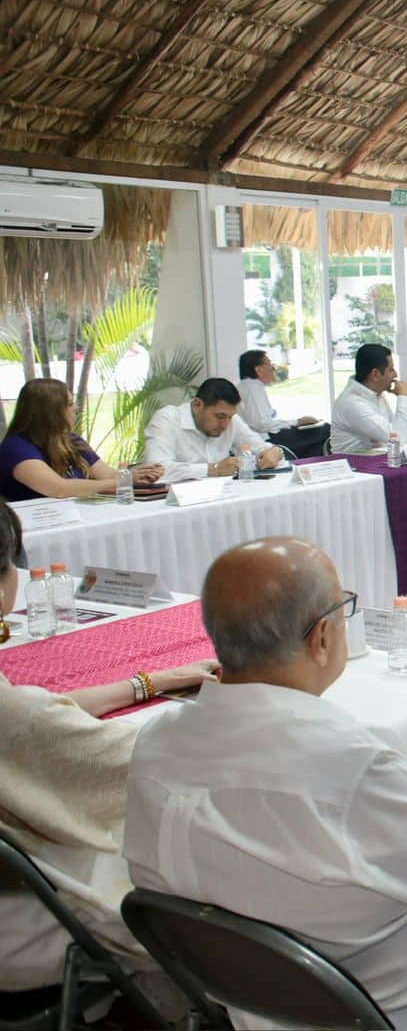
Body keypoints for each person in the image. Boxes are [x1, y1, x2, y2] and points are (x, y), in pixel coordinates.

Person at [122, 537, 407, 1030]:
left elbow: (279, 756)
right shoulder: (345, 769)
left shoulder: (157, 744)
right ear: (322, 637)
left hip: (264, 1007)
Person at [0, 500, 217, 995]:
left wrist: (149, 682)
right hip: (38, 920)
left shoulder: (19, 713)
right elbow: (141, 759)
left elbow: (36, 711)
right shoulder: (18, 721)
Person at [1, 378, 160, 500]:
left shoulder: (72, 441)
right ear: (51, 412)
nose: (75, 408)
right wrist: (125, 480)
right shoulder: (16, 449)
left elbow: (108, 476)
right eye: (70, 404)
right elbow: (59, 489)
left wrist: (139, 475)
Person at [145, 378, 283, 481]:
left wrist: (276, 452)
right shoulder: (167, 419)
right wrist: (213, 469)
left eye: (229, 417)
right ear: (197, 405)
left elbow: (263, 448)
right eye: (219, 416)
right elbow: (155, 471)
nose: (225, 424)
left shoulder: (231, 421)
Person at [236, 351, 330, 459]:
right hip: (266, 439)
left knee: (316, 435)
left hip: (270, 435)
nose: (273, 368)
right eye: (270, 364)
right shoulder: (252, 388)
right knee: (324, 430)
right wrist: (297, 422)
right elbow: (262, 424)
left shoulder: (249, 386)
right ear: (258, 370)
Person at [330, 343, 407, 453]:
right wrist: (403, 396)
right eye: (391, 370)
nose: (396, 375)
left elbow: (399, 435)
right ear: (375, 374)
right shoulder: (352, 403)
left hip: (377, 461)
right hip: (353, 466)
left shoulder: (376, 393)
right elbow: (399, 439)